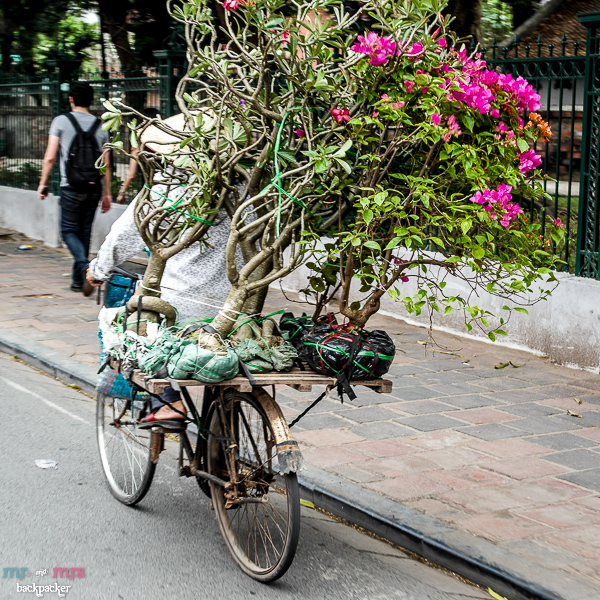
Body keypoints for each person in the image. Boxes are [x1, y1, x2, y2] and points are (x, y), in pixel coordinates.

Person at [38, 82, 112, 294]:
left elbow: (50, 156)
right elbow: (105, 164)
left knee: (68, 231)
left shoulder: (61, 121)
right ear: (91, 100)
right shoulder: (101, 126)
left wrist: (43, 183)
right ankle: (78, 282)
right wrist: (107, 194)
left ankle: (84, 266)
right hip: (93, 186)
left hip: (71, 186)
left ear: (71, 99)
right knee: (84, 232)